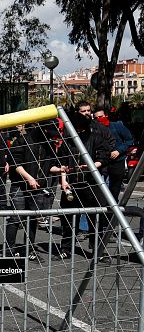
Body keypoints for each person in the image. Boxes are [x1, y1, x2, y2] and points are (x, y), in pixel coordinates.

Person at [55, 105, 113, 260]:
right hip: (72, 184)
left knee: (95, 219)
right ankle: (66, 248)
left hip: (91, 184)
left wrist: (92, 166)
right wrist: (63, 180)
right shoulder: (67, 142)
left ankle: (97, 251)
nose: (78, 132)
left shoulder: (95, 137)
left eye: (80, 129)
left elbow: (105, 156)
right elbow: (62, 162)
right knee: (67, 218)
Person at [3, 124, 59, 260]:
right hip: (20, 186)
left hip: (37, 187)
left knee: (32, 218)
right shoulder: (22, 140)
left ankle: (30, 249)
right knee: (16, 217)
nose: (50, 137)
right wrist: (29, 178)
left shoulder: (49, 144)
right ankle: (9, 250)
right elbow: (16, 163)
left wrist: (62, 169)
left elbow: (49, 166)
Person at [96, 107, 132, 202]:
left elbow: (129, 140)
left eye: (101, 116)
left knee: (114, 190)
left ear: (106, 115)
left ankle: (112, 214)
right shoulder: (94, 129)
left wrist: (119, 151)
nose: (99, 119)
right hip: (102, 164)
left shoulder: (117, 126)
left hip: (117, 162)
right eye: (97, 117)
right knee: (101, 191)